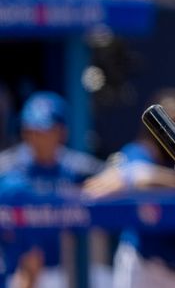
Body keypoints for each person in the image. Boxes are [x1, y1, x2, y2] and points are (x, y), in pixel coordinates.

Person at [83, 89, 175, 288]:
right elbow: (131, 175)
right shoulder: (140, 151)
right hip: (144, 261)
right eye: (167, 120)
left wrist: (151, 176)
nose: (173, 127)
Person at [0, 91, 106, 288]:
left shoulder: (74, 167)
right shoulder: (6, 169)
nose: (36, 138)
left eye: (44, 131)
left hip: (61, 268)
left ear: (61, 132)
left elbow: (112, 175)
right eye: (31, 131)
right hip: (14, 270)